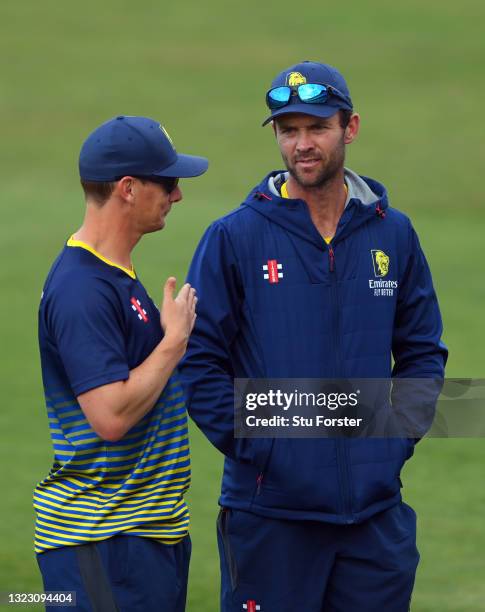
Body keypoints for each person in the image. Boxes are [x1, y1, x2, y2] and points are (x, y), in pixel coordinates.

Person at [179, 61, 448, 611]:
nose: (302, 144)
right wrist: (264, 447)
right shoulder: (233, 237)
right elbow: (200, 362)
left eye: (317, 127)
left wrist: (392, 442)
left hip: (374, 524)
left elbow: (422, 351)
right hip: (270, 519)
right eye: (288, 130)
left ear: (349, 128)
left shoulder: (393, 234)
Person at [35, 115, 208, 611]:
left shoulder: (112, 274)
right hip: (103, 540)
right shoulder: (81, 290)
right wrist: (172, 343)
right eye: (168, 182)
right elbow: (109, 416)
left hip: (140, 536)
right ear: (128, 188)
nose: (176, 196)